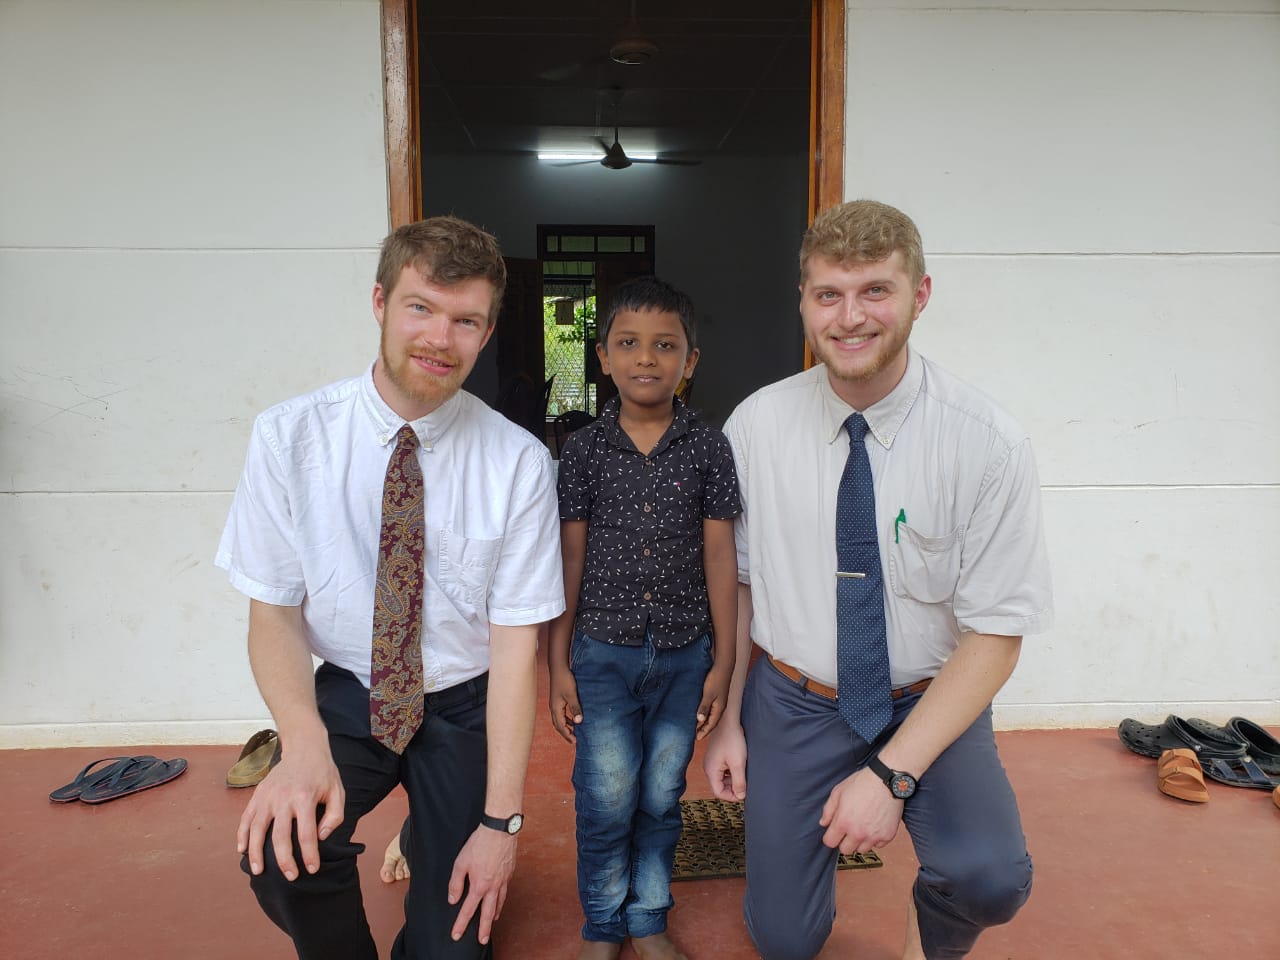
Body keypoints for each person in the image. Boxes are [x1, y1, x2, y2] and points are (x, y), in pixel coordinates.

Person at [703, 199, 1053, 960]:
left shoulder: (986, 443)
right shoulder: (755, 427)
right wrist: (729, 717)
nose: (850, 317)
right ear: (803, 300)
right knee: (785, 940)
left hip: (925, 697)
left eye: (875, 291)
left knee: (990, 878)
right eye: (828, 294)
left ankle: (931, 927)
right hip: (793, 700)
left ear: (919, 295)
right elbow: (740, 586)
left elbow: (996, 634)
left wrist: (891, 776)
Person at [214, 215, 564, 960]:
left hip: (467, 701)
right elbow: (273, 614)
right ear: (380, 302)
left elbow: (515, 650)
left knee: (453, 946)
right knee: (279, 852)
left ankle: (437, 838)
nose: (440, 339)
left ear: (488, 331)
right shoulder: (289, 437)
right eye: (420, 308)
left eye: (465, 320)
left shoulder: (519, 463)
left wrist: (501, 827)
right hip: (353, 689)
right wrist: (302, 747)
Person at [548, 276, 742, 960]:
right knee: (606, 795)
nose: (646, 359)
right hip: (602, 651)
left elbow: (720, 555)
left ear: (690, 360)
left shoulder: (710, 448)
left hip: (687, 654)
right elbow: (569, 559)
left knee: (662, 796)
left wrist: (724, 662)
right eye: (628, 344)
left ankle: (648, 919)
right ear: (603, 356)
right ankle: (604, 925)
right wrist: (557, 663)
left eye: (665, 345)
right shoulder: (582, 451)